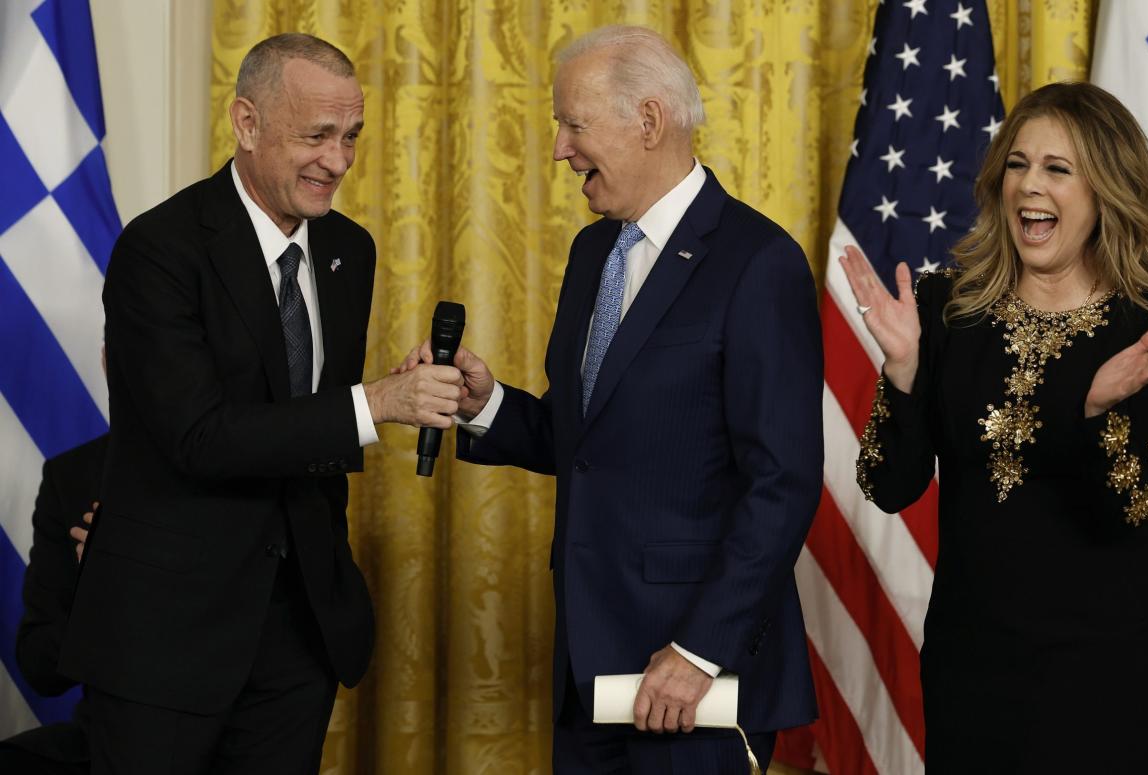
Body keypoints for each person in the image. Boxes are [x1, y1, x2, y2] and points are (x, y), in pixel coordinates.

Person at [408, 24, 823, 773]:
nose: (560, 148)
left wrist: (699, 652)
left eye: (573, 123)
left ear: (650, 121)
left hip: (694, 679)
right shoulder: (593, 250)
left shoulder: (758, 262)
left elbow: (783, 481)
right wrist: (487, 404)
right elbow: (591, 441)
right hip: (588, 671)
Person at [57, 33, 463, 775]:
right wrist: (373, 404)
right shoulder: (160, 249)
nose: (338, 162)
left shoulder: (350, 250)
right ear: (246, 123)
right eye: (316, 136)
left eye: (350, 137)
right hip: (166, 638)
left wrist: (388, 395)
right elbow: (200, 435)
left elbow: (302, 419)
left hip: (299, 634)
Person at [841, 81, 1148, 773]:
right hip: (971, 652)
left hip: (1103, 654)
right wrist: (902, 371)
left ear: (1106, 189)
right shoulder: (944, 306)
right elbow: (888, 484)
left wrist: (1094, 410)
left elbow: (1124, 506)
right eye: (1017, 163)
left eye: (1057, 168)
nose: (1028, 185)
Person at [0, 433, 105, 775]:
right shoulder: (75, 475)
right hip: (109, 738)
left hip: (239, 734)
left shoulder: (246, 461)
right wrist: (102, 589)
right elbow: (39, 665)